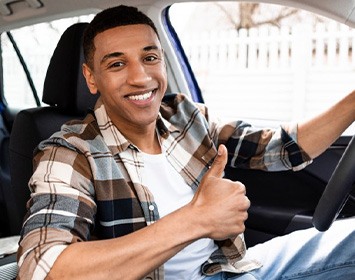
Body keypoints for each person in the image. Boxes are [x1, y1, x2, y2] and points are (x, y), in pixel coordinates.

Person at [17, 5, 355, 280]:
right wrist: (196, 220)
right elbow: (44, 268)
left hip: (232, 269)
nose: (140, 77)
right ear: (92, 78)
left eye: (150, 58)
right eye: (117, 64)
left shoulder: (184, 116)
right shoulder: (69, 151)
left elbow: (281, 148)